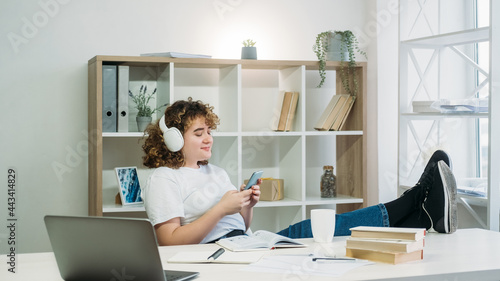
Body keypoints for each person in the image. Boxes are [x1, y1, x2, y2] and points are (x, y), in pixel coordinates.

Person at [142, 98, 457, 246]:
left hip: (246, 243)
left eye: (209, 130)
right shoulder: (165, 179)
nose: (208, 138)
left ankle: (420, 215)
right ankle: (416, 201)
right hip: (221, 256)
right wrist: (220, 208)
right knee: (335, 228)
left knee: (323, 225)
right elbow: (169, 241)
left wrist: (246, 206)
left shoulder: (217, 172)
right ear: (173, 138)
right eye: (199, 133)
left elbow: (239, 224)